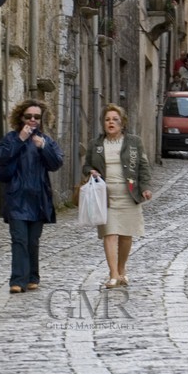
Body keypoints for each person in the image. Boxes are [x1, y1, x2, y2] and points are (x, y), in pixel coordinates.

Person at [0, 100, 63, 293]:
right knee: (19, 239)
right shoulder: (11, 138)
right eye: (28, 116)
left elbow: (56, 163)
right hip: (17, 198)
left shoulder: (45, 140)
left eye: (37, 117)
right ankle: (17, 281)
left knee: (32, 241)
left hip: (38, 199)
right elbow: (1, 157)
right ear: (20, 118)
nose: (32, 120)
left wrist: (43, 147)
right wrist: (20, 140)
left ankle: (32, 277)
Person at [81, 104, 152, 289]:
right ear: (103, 123)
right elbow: (86, 166)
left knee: (126, 236)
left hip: (129, 194)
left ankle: (121, 269)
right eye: (107, 120)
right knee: (109, 234)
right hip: (106, 196)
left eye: (115, 119)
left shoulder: (134, 142)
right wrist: (91, 172)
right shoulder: (95, 145)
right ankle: (113, 274)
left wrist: (145, 187)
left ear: (122, 123)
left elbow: (143, 166)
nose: (111, 122)